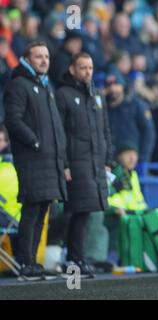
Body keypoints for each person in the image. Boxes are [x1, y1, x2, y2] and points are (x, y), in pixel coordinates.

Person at [4, 41, 67, 281]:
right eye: (38, 56)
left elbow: (55, 127)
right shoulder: (19, 85)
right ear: (27, 59)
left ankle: (32, 262)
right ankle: (25, 263)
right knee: (31, 210)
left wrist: (60, 153)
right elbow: (13, 119)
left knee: (42, 210)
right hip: (32, 158)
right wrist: (35, 142)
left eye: (46, 57)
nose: (44, 61)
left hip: (49, 160)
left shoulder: (45, 86)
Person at [55, 52, 113, 278]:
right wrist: (65, 164)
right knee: (78, 211)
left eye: (90, 68)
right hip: (76, 164)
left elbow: (105, 130)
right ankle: (75, 259)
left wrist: (108, 160)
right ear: (72, 69)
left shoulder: (97, 95)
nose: (87, 72)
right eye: (82, 68)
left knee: (86, 212)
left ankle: (78, 258)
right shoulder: (63, 95)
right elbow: (59, 133)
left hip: (96, 163)